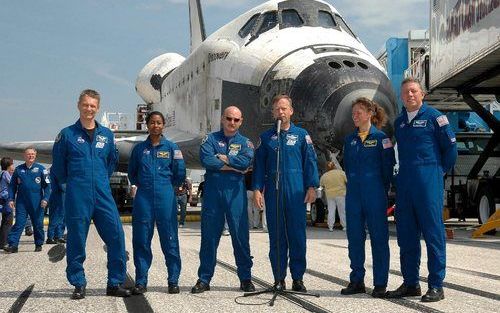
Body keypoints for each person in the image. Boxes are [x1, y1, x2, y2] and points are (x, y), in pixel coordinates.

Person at [52, 89, 130, 299]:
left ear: (98, 108)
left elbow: (111, 162)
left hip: (103, 193)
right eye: (85, 105)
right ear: (79, 105)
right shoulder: (66, 134)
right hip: (78, 194)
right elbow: (58, 168)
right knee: (77, 239)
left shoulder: (107, 134)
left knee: (116, 236)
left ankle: (114, 283)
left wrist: (100, 181)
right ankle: (78, 282)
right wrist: (72, 185)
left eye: (93, 106)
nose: (89, 109)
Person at [387, 78, 457, 302]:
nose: (410, 95)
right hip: (405, 185)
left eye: (414, 91)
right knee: (406, 236)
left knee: (433, 235)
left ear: (422, 94)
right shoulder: (399, 123)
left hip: (428, 182)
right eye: (406, 92)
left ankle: (436, 285)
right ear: (401, 96)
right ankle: (410, 283)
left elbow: (451, 150)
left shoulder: (436, 118)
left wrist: (437, 173)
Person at [253, 94, 319, 292]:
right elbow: (258, 166)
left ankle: (297, 278)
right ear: (273, 113)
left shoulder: (301, 135)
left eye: (284, 109)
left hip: (296, 191)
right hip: (274, 192)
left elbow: (310, 161)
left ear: (291, 111)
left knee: (297, 235)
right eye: (277, 109)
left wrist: (312, 186)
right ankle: (279, 278)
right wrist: (257, 189)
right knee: (277, 237)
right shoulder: (266, 138)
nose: (281, 112)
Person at [191, 106, 255, 294]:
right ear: (222, 119)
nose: (232, 122)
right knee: (209, 238)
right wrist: (234, 167)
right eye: (229, 118)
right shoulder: (210, 139)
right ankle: (204, 279)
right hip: (213, 194)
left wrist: (224, 159)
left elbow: (246, 163)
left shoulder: (246, 142)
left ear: (241, 121)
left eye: (236, 120)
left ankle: (245, 279)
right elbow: (207, 161)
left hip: (235, 195)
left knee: (240, 237)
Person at [340, 97, 395, 298]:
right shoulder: (349, 140)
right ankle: (357, 280)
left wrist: (381, 190)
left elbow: (388, 169)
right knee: (354, 238)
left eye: (359, 112)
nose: (355, 116)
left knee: (379, 239)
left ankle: (380, 283)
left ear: (370, 113)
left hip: (375, 194)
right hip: (354, 195)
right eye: (353, 113)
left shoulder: (382, 139)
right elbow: (347, 167)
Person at [128, 111, 186, 295]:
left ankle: (173, 280)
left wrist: (168, 187)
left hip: (165, 196)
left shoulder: (172, 148)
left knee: (170, 239)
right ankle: (141, 281)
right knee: (141, 240)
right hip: (144, 197)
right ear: (147, 125)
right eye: (152, 122)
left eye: (159, 122)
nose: (155, 125)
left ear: (163, 125)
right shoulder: (138, 149)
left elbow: (179, 173)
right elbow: (132, 173)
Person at [5, 148, 51, 253]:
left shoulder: (41, 169)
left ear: (35, 156)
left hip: (37, 201)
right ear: (24, 156)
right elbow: (12, 186)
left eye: (33, 154)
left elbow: (48, 186)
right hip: (22, 202)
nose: (31, 156)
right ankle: (13, 245)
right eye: (28, 154)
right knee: (19, 223)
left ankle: (38, 243)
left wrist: (45, 198)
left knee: (38, 224)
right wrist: (11, 199)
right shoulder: (18, 170)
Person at [319, 161, 347, 232]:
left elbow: (321, 185)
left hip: (330, 195)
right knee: (342, 211)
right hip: (341, 194)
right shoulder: (341, 173)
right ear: (334, 166)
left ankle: (330, 227)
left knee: (331, 211)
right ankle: (344, 226)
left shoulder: (325, 175)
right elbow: (347, 181)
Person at [46, 169, 66, 244]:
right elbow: (62, 185)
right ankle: (51, 237)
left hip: (60, 195)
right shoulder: (58, 169)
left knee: (61, 217)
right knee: (57, 216)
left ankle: (58, 236)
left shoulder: (58, 168)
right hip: (59, 195)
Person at [0, 157, 15, 249]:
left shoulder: (2, 173)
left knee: (4, 221)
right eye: (12, 164)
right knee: (8, 221)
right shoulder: (6, 173)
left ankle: (2, 242)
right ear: (8, 165)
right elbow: (12, 183)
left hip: (2, 199)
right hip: (6, 199)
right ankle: (4, 243)